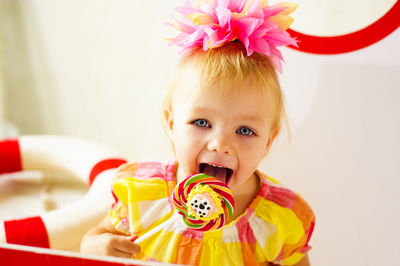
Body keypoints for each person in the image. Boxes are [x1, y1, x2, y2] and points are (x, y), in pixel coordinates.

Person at [80, 0, 315, 265]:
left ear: (268, 143)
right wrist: (95, 246)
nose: (220, 144)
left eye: (245, 130)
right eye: (202, 123)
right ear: (171, 124)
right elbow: (93, 239)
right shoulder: (143, 194)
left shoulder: (278, 219)